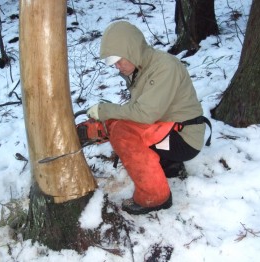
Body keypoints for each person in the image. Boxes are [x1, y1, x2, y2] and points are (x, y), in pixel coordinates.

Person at [87, 21, 211, 215]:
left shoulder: (164, 67)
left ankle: (155, 197)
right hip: (169, 130)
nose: (117, 67)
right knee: (117, 122)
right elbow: (141, 111)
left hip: (185, 139)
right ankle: (167, 165)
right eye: (113, 63)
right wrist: (107, 118)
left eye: (120, 60)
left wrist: (106, 111)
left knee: (123, 132)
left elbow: (144, 114)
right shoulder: (141, 68)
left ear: (132, 51)